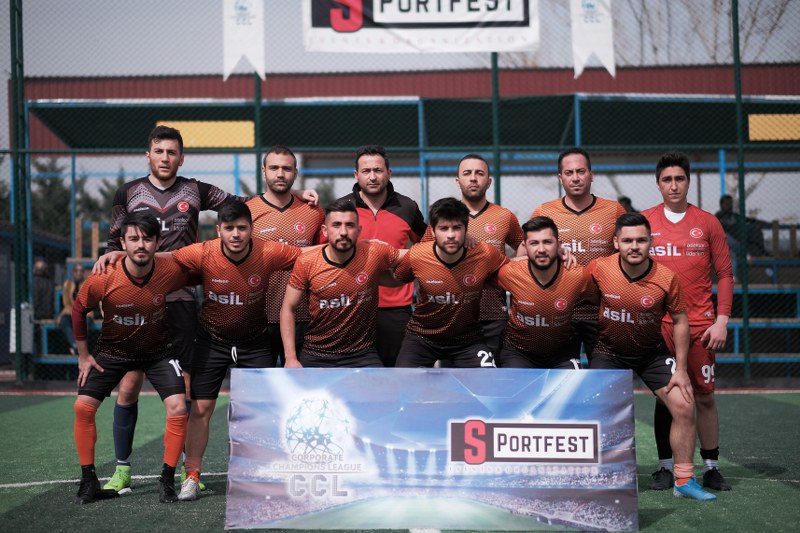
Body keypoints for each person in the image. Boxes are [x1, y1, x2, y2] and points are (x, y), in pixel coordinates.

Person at [98, 125, 317, 493]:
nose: (165, 158)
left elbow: (247, 204)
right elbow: (114, 242)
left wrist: (294, 196)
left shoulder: (196, 190)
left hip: (182, 300)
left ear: (181, 158)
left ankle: (190, 469)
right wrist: (112, 275)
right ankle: (122, 469)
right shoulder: (128, 192)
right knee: (130, 383)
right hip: (139, 298)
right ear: (148, 156)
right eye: (159, 151)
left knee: (187, 391)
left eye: (172, 152)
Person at [167, 200, 304, 501]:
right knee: (201, 409)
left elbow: (307, 254)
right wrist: (120, 255)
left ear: (251, 229)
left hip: (254, 342)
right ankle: (191, 476)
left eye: (242, 228)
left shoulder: (268, 251)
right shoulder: (204, 252)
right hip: (211, 341)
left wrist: (356, 248)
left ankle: (247, 474)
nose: (236, 234)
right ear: (219, 230)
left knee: (253, 413)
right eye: (229, 228)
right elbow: (167, 259)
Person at [585, 212, 716, 501]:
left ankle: (684, 480)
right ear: (616, 242)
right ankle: (604, 477)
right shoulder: (599, 268)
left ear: (650, 242)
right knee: (597, 409)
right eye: (627, 240)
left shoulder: (666, 277)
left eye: (641, 240)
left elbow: (680, 321)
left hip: (651, 354)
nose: (634, 246)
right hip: (608, 352)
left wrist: (681, 369)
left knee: (684, 404)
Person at [72, 213, 190, 504]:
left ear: (157, 243)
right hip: (113, 351)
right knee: (83, 407)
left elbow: (203, 267)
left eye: (147, 239)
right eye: (133, 239)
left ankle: (167, 480)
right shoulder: (104, 275)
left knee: (178, 407)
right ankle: (88, 480)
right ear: (122, 243)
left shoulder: (169, 269)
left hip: (158, 352)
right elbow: (78, 309)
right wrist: (84, 356)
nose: (141, 245)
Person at [642, 152, 734, 492]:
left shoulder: (708, 223)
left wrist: (722, 320)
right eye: (667, 179)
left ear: (688, 182)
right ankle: (666, 468)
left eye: (679, 179)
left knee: (705, 397)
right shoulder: (645, 222)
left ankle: (711, 467)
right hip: (659, 325)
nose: (673, 185)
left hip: (700, 327)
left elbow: (725, 275)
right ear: (658, 184)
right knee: (665, 397)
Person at [530, 148, 626, 364]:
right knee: (563, 378)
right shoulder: (544, 212)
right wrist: (551, 251)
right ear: (560, 178)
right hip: (560, 313)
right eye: (569, 172)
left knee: (605, 377)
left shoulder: (614, 211)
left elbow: (628, 254)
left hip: (603, 313)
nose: (575, 178)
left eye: (581, 171)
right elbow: (523, 255)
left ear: (591, 175)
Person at [280, 199, 402, 368]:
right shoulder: (307, 262)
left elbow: (414, 258)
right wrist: (291, 358)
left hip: (362, 354)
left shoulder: (374, 253)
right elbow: (288, 308)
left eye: (350, 225)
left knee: (380, 385)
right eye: (336, 225)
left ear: (359, 230)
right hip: (316, 354)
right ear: (325, 230)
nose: (343, 232)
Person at [421, 154, 523, 355]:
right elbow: (424, 255)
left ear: (489, 181)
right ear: (458, 181)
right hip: (453, 316)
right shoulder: (443, 218)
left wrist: (511, 270)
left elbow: (524, 244)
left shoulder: (504, 216)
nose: (473, 178)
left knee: (492, 372)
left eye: (479, 173)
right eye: (467, 173)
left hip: (493, 314)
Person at [337, 145, 427, 367]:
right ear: (356, 175)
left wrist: (395, 256)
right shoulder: (342, 208)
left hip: (396, 311)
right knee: (355, 376)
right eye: (366, 171)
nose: (372, 177)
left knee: (396, 376)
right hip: (351, 308)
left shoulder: (407, 207)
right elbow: (324, 252)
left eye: (378, 170)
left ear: (389, 173)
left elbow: (428, 248)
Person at [394, 197, 509, 368]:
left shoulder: (485, 254)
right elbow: (396, 279)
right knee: (403, 381)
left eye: (457, 228)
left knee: (488, 381)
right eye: (443, 228)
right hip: (422, 337)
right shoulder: (417, 255)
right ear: (433, 232)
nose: (450, 235)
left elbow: (516, 270)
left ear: (466, 230)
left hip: (468, 340)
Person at [246, 145, 325, 366]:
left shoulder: (313, 212)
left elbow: (323, 259)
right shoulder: (248, 212)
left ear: (295, 173)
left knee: (302, 384)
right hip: (258, 318)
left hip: (302, 317)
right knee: (261, 385)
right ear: (264, 171)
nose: (280, 174)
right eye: (274, 168)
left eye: (287, 168)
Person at [494, 216, 594, 368]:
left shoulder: (578, 275)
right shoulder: (509, 273)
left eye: (547, 242)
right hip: (517, 352)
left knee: (573, 384)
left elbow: (596, 304)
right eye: (534, 243)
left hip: (562, 354)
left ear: (558, 245)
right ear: (525, 247)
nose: (541, 250)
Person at [58, 263, 87, 355]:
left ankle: (78, 346)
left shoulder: (88, 284)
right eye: (76, 271)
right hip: (70, 311)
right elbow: (66, 302)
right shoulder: (67, 284)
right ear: (73, 273)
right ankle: (74, 345)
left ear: (83, 273)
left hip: (85, 313)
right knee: (64, 321)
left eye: (81, 271)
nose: (78, 273)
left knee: (84, 322)